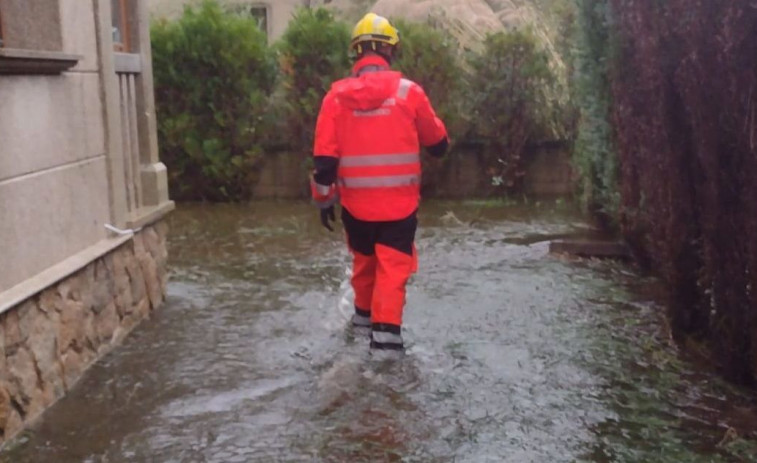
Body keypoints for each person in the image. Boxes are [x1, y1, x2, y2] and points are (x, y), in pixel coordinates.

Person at [310, 13, 449, 351]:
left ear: (356, 55)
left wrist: (325, 202)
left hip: (356, 210)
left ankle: (360, 326)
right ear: (390, 52)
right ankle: (386, 346)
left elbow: (324, 163)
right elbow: (439, 144)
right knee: (392, 270)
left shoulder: (335, 99)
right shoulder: (409, 93)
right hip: (399, 208)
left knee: (364, 264)